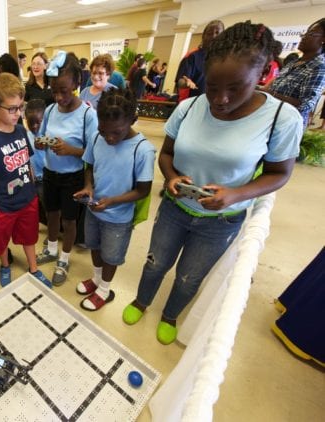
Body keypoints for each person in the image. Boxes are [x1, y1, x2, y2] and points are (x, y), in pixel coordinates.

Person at [122, 21, 303, 345]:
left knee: (190, 276)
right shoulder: (188, 107)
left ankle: (170, 315)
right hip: (176, 208)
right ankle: (142, 300)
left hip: (221, 220)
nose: (220, 99)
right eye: (212, 87)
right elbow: (167, 154)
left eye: (235, 88)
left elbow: (279, 172)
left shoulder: (281, 118)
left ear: (262, 75)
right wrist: (173, 177)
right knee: (155, 262)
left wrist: (236, 194)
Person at [73, 88, 156, 311]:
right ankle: (97, 278)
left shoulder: (143, 150)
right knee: (94, 246)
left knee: (111, 255)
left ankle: (104, 289)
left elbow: (143, 190)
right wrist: (88, 187)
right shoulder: (96, 137)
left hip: (118, 218)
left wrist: (112, 201)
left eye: (116, 133)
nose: (109, 138)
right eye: (103, 131)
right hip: (94, 210)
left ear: (132, 121)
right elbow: (89, 166)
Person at [0, 74, 51, 287]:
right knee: (1, 241)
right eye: (12, 108)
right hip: (4, 205)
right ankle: (5, 266)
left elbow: (27, 161)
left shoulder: (20, 130)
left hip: (28, 198)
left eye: (20, 107)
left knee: (30, 237)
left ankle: (34, 267)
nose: (18, 113)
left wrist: (33, 189)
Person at [35, 51, 98, 286]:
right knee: (51, 214)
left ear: (77, 84)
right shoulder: (50, 111)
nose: (59, 96)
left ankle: (64, 257)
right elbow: (39, 138)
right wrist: (40, 143)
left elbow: (94, 153)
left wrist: (71, 150)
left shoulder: (87, 115)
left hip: (73, 177)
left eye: (64, 91)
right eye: (55, 91)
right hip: (50, 173)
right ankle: (51, 249)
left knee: (69, 221)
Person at [262, 18, 325, 129]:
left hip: (287, 126)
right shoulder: (294, 63)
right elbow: (274, 86)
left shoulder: (319, 67)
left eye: (310, 34)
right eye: (304, 33)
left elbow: (305, 105)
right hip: (270, 118)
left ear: (323, 40)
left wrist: (270, 95)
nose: (303, 37)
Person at [175, 20, 224, 101]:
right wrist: (186, 83)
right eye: (209, 33)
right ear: (203, 36)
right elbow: (180, 81)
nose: (213, 36)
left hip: (213, 104)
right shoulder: (192, 56)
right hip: (191, 103)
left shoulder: (223, 57)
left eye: (217, 33)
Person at [24, 99, 47, 225]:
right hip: (31, 180)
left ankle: (51, 233)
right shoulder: (25, 136)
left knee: (48, 207)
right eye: (30, 123)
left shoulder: (48, 135)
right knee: (34, 208)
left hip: (45, 179)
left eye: (38, 122)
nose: (34, 127)